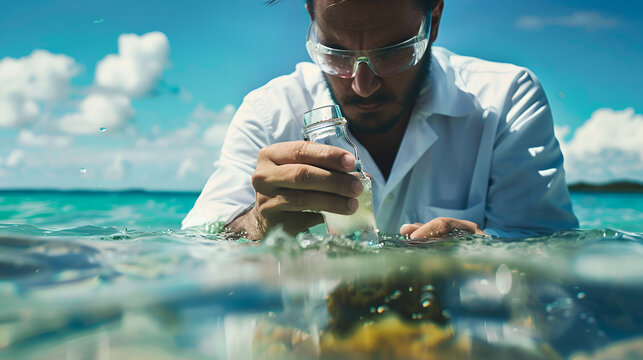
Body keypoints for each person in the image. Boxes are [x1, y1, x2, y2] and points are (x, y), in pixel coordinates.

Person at [182, 0, 578, 240]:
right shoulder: (269, 111)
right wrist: (257, 223)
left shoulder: (505, 99)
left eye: (392, 52)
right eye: (335, 52)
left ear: (434, 20)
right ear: (311, 17)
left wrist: (478, 251)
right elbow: (196, 246)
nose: (362, 85)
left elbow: (550, 248)